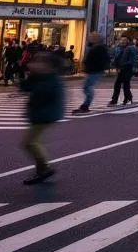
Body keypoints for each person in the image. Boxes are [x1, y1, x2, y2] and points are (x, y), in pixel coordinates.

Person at [19, 50, 65, 184]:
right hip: (38, 114)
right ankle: (41, 170)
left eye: (39, 63)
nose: (35, 65)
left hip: (45, 115)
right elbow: (27, 88)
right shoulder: (39, 77)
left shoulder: (52, 80)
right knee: (35, 142)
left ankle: (44, 167)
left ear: (49, 66)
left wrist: (32, 80)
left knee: (29, 143)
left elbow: (41, 93)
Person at [73, 31, 109, 114]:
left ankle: (85, 106)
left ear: (97, 39)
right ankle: (85, 105)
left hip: (95, 71)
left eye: (93, 37)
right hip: (93, 70)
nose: (90, 38)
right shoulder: (95, 47)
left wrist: (96, 67)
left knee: (88, 88)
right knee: (87, 87)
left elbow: (103, 60)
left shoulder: (100, 48)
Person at [108, 39, 137, 106]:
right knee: (119, 84)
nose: (122, 43)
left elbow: (132, 59)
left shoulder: (130, 48)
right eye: (121, 42)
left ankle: (127, 98)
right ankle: (117, 99)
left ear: (127, 42)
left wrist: (133, 68)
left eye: (124, 41)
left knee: (125, 84)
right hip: (123, 68)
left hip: (127, 68)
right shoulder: (122, 49)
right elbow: (118, 58)